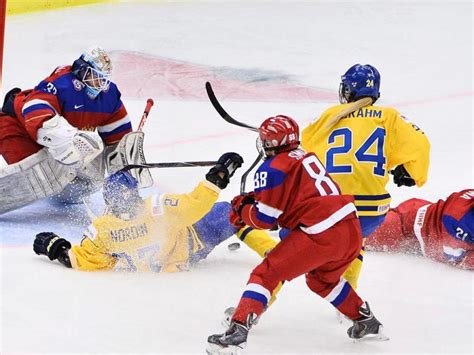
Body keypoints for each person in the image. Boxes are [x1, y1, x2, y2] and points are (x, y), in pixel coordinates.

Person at [207, 115, 387, 354]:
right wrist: (256, 198)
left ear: (270, 143)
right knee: (321, 280)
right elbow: (294, 195)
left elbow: (263, 220)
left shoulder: (272, 168)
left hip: (321, 232)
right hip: (351, 227)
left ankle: (237, 332)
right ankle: (366, 321)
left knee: (266, 273)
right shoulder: (306, 156)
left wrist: (242, 209)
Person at [301, 64, 431, 289]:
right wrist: (410, 171)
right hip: (373, 212)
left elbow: (307, 144)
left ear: (348, 90)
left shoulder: (330, 115)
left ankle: (257, 301)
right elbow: (420, 143)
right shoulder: (389, 116)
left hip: (335, 208)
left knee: (288, 248)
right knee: (355, 240)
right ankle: (349, 295)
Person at [33, 153, 254, 272]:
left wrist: (56, 247)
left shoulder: (103, 230)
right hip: (196, 239)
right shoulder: (155, 207)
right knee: (236, 210)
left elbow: (80, 259)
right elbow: (193, 206)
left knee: (237, 213)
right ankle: (272, 236)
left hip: (172, 267)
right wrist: (218, 177)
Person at [0, 45, 151, 215]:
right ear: (83, 71)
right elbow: (34, 110)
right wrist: (64, 142)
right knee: (42, 175)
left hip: (50, 141)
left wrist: (123, 176)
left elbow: (119, 141)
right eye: (97, 77)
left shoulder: (109, 95)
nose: (101, 84)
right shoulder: (63, 84)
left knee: (89, 176)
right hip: (17, 127)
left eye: (104, 78)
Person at [366, 189, 473, 270]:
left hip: (417, 213)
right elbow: (464, 260)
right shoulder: (458, 220)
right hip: (404, 227)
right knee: (356, 236)